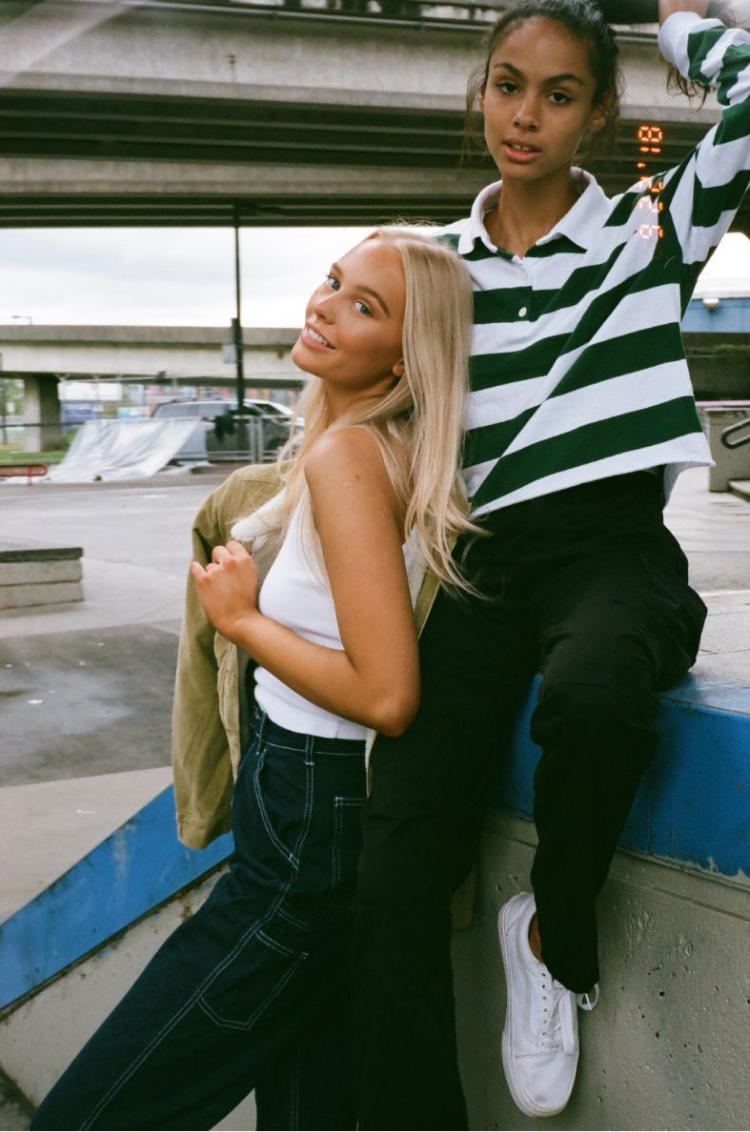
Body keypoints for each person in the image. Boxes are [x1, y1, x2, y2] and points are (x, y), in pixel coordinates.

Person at [351, 2, 750, 1128]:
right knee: (397, 854)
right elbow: (367, 402)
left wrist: (689, 28)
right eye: (507, 84)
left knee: (596, 693)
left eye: (559, 94)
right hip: (482, 564)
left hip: (610, 551)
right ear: (480, 91)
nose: (526, 116)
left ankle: (550, 932)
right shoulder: (438, 268)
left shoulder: (648, 232)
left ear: (601, 115)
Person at [30, 227, 475, 1132]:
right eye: (333, 281)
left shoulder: (349, 460)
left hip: (309, 819)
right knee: (311, 1106)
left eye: (365, 306)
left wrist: (244, 620)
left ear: (404, 356)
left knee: (99, 1107)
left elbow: (388, 695)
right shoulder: (349, 446)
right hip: (308, 811)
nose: (323, 305)